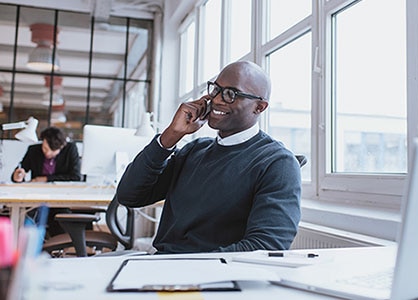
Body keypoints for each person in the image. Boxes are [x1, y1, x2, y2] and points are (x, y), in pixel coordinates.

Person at [117, 61, 302, 254]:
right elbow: (129, 195)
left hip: (212, 277)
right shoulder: (195, 150)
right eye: (216, 89)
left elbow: (265, 247)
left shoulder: (277, 163)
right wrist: (170, 136)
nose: (217, 100)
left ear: (259, 107)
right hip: (164, 267)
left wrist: (184, 266)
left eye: (231, 94)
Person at [11, 126, 82, 236]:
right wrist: (18, 176)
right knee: (27, 215)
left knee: (60, 217)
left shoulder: (70, 149)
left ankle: (57, 248)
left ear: (62, 147)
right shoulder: (33, 150)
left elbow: (76, 177)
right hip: (36, 197)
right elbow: (20, 171)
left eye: (52, 150)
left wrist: (46, 179)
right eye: (45, 148)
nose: (47, 153)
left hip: (60, 197)